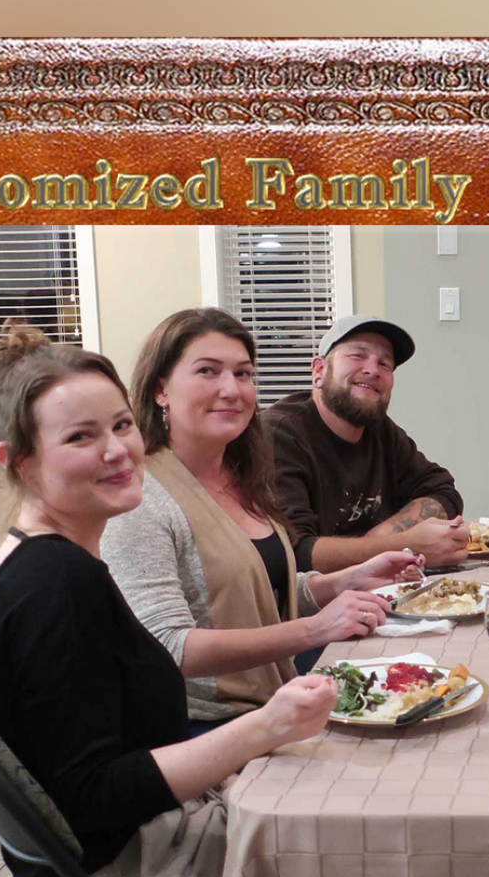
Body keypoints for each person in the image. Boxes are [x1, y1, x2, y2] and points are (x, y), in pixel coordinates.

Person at [0, 325, 338, 877]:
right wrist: (267, 726)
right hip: (136, 869)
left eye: (120, 425)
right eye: (80, 437)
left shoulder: (41, 556)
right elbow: (91, 800)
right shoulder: (54, 584)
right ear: (19, 461)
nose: (117, 451)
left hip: (154, 832)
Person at [101, 308, 423, 734]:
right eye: (207, 371)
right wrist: (314, 630)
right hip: (206, 727)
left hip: (275, 699)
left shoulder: (242, 474)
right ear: (161, 389)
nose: (231, 389)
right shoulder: (141, 498)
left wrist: (346, 580)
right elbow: (168, 646)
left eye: (243, 374)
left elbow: (259, 592)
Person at [264, 314, 469, 572]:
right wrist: (403, 545)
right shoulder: (278, 435)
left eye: (385, 364)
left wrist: (380, 538)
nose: (373, 370)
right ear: (319, 370)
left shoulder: (380, 430)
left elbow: (444, 492)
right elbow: (291, 553)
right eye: (357, 356)